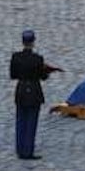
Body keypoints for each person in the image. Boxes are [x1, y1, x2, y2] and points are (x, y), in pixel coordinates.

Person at [9, 30, 62, 160]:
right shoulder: (37, 59)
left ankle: (20, 149)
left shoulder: (15, 57)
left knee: (20, 120)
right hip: (33, 90)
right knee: (31, 121)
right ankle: (28, 151)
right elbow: (42, 77)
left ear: (23, 42)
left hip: (21, 89)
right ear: (33, 42)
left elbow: (13, 75)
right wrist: (48, 72)